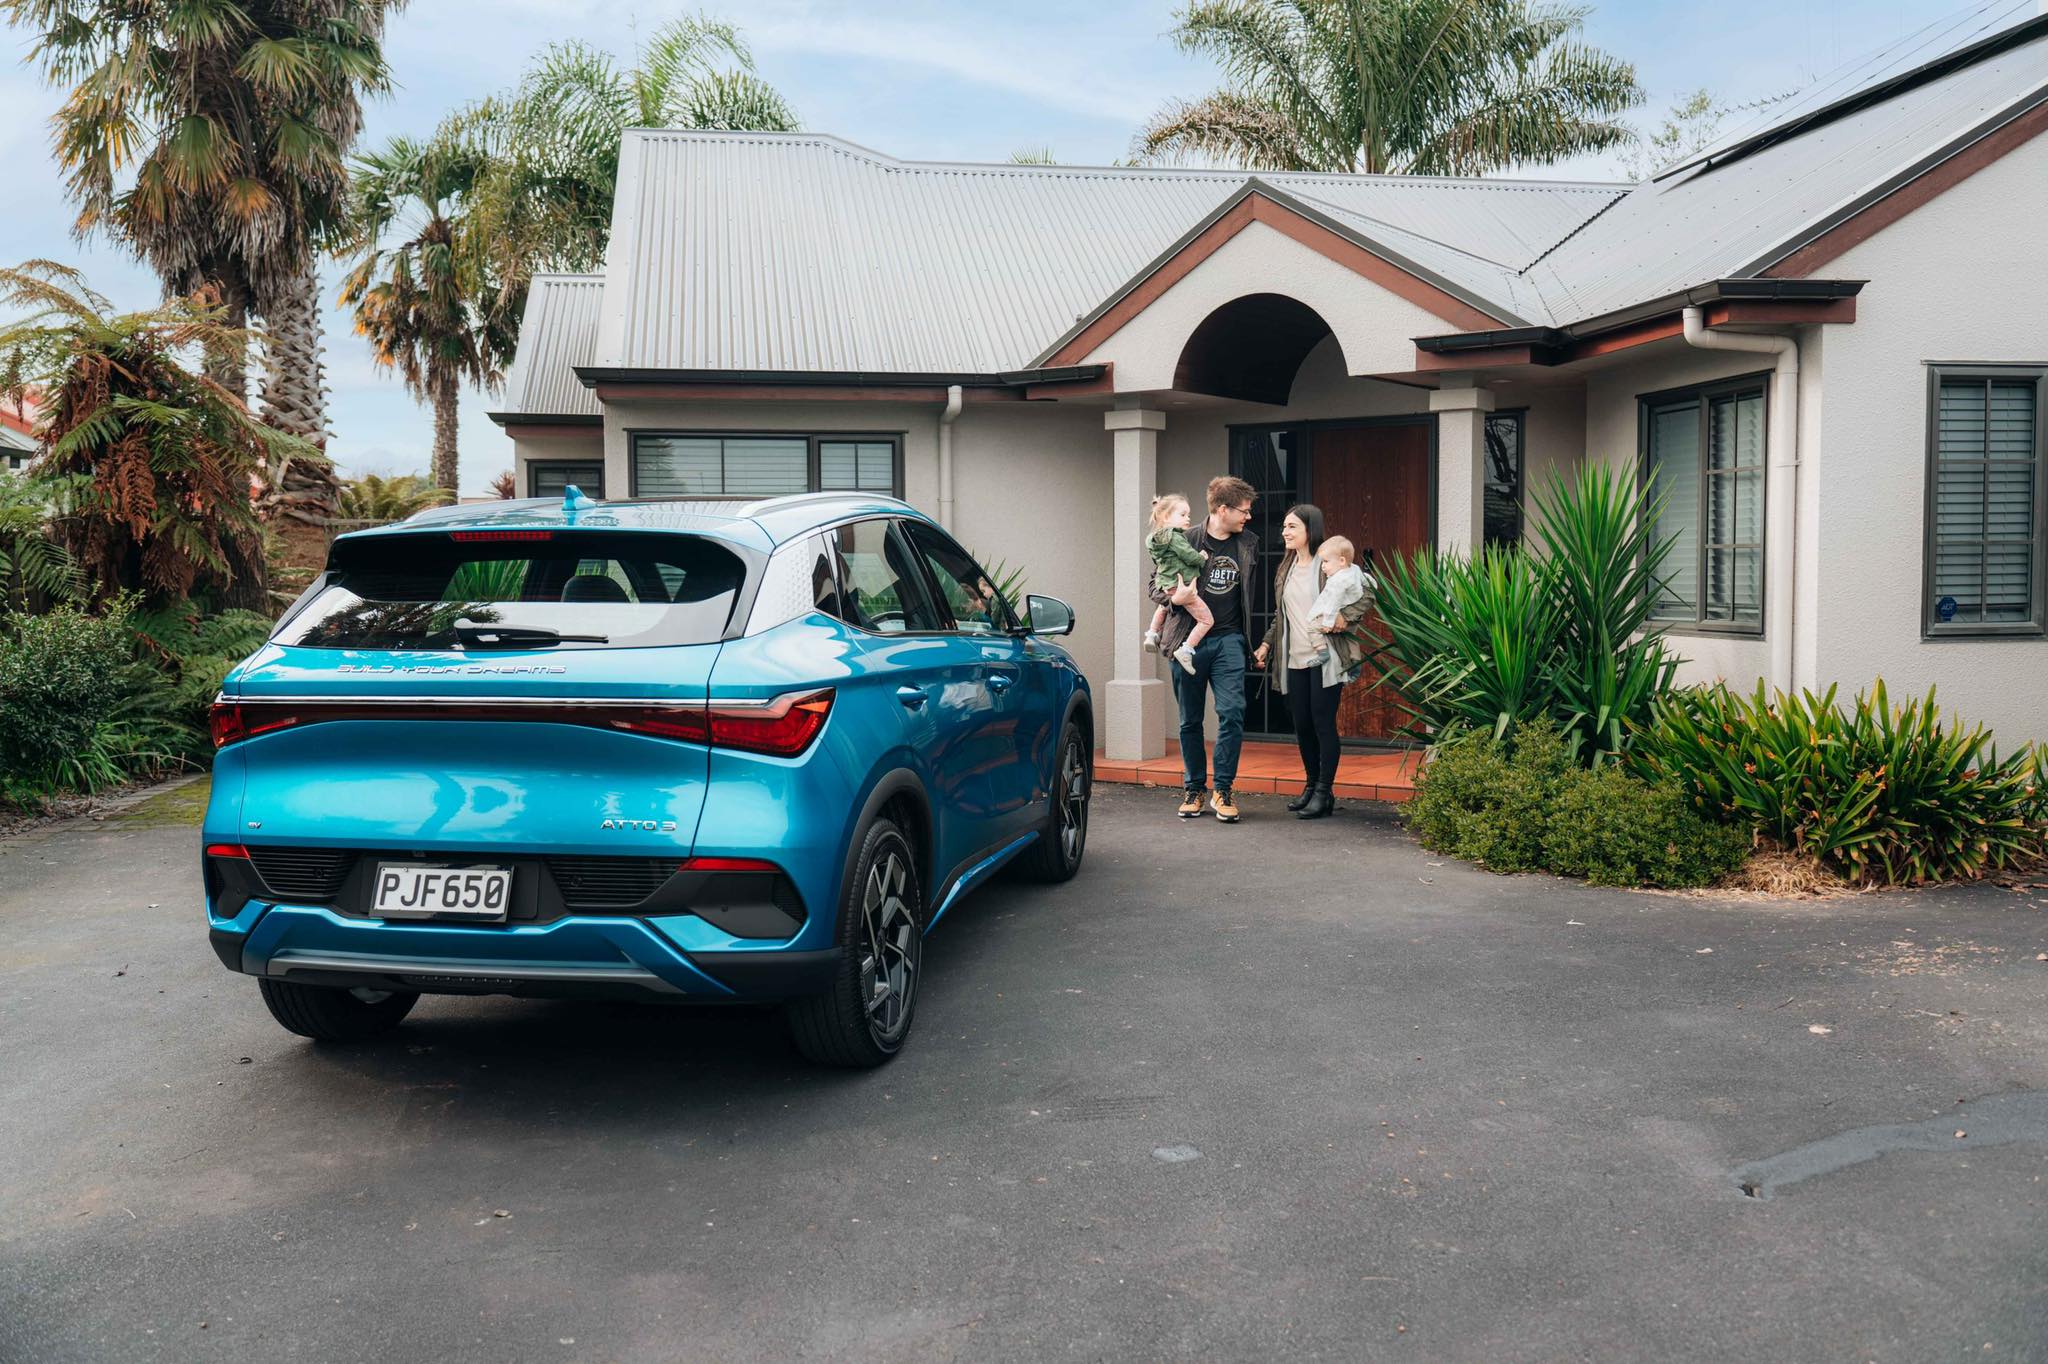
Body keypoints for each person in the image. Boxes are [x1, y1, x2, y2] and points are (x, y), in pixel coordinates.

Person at [1147, 475, 1258, 823]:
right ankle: (1194, 788)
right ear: (1222, 509)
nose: (1249, 517)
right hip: (1186, 640)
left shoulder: (1249, 543)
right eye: (1244, 510)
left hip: (1229, 640)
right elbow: (1155, 583)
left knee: (1233, 712)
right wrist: (1172, 597)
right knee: (1189, 720)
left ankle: (1222, 789)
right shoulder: (1184, 537)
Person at [1253, 505, 1373, 821]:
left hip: (1326, 657)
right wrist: (1267, 643)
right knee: (1302, 725)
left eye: (1291, 526)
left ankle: (1324, 792)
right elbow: (1282, 615)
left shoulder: (1329, 563)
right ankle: (1310, 786)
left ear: (1310, 529)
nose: (1285, 532)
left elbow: (1368, 593)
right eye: (1284, 526)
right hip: (1294, 658)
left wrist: (1345, 618)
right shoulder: (1285, 568)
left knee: (1322, 723)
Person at [1141, 493, 1212, 676]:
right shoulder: (1176, 537)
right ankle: (1186, 649)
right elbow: (1188, 555)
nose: (1187, 518)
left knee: (1164, 607)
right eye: (1182, 515)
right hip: (1182, 586)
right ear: (1166, 517)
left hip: (1165, 583)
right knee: (1206, 620)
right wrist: (1201, 558)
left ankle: (1152, 633)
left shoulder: (1152, 539)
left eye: (1188, 514)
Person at [1304, 534, 1371, 675]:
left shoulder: (1337, 581)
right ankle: (1356, 663)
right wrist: (1374, 585)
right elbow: (1367, 580)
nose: (1323, 566)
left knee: (1311, 627)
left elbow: (1333, 604)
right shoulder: (1354, 569)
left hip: (1337, 616)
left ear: (1341, 561)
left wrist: (1328, 623)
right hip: (1352, 618)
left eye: (1326, 562)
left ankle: (1322, 652)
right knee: (1350, 638)